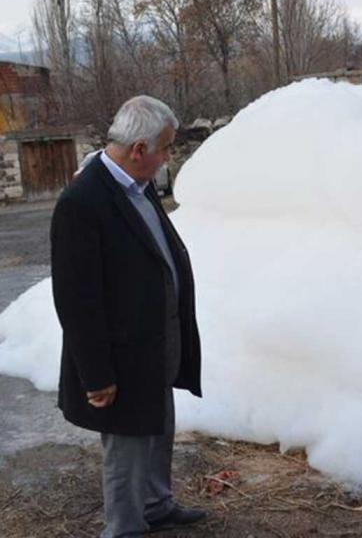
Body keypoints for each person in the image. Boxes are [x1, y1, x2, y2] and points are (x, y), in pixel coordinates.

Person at [51, 96, 205, 536]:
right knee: (128, 447)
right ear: (139, 149)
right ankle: (123, 527)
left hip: (156, 345)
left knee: (159, 430)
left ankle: (156, 505)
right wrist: (95, 374)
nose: (167, 158)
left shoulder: (137, 185)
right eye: (165, 148)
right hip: (121, 358)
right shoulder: (83, 201)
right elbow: (76, 299)